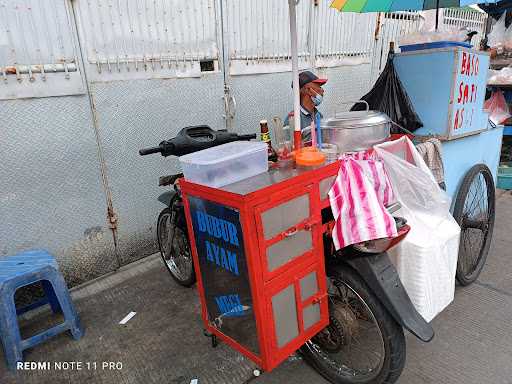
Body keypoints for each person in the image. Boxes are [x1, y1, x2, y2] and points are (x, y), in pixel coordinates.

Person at [284, 70, 328, 141]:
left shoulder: (319, 115)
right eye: (319, 87)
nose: (322, 91)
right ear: (308, 90)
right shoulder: (293, 119)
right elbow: (289, 148)